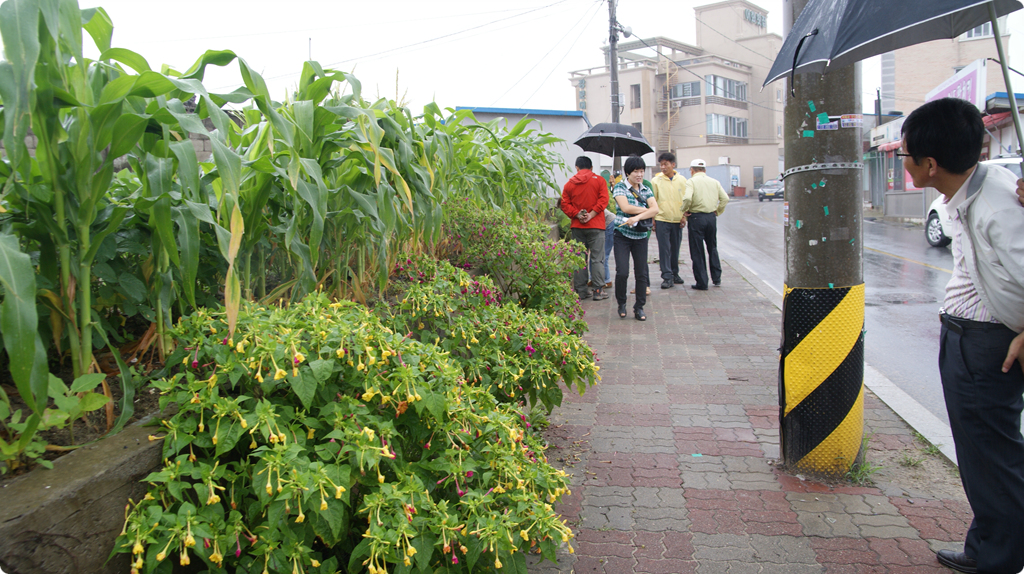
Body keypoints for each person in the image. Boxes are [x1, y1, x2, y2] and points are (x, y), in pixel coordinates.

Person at [901, 97, 1024, 574]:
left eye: (905, 154)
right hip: (967, 337)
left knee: (993, 458)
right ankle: (987, 544)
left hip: (987, 342)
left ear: (930, 165)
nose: (904, 162)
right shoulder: (971, 190)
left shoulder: (999, 205)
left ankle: (998, 560)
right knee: (980, 454)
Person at [611, 155, 659, 321]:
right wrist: (646, 210)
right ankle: (621, 303)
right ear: (628, 173)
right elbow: (625, 207)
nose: (639, 175)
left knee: (641, 274)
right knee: (622, 271)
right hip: (622, 235)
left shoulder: (646, 189)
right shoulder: (620, 187)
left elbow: (656, 209)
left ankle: (639, 307)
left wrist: (638, 216)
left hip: (640, 236)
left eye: (642, 171)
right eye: (636, 172)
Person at [561, 156, 609, 300]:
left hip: (578, 227)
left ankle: (580, 291)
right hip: (596, 226)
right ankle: (598, 291)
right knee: (597, 259)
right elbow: (603, 200)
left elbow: (564, 204)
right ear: (591, 168)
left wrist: (577, 214)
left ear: (577, 168)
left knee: (580, 259)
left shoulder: (569, 184)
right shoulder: (599, 181)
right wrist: (591, 214)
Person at [683, 159, 729, 290]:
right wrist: (717, 211)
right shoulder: (714, 182)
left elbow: (687, 198)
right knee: (712, 247)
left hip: (696, 217)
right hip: (711, 217)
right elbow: (725, 198)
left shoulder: (691, 181)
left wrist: (684, 210)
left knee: (697, 251)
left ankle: (702, 282)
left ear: (692, 170)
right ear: (704, 170)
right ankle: (717, 278)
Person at [651, 152, 688, 289]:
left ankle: (674, 273)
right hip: (662, 219)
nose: (662, 167)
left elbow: (685, 200)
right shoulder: (656, 181)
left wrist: (683, 216)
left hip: (677, 220)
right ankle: (666, 276)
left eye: (665, 164)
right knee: (664, 249)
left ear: (673, 165)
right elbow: (652, 201)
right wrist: (653, 219)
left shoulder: (682, 180)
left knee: (675, 248)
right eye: (661, 164)